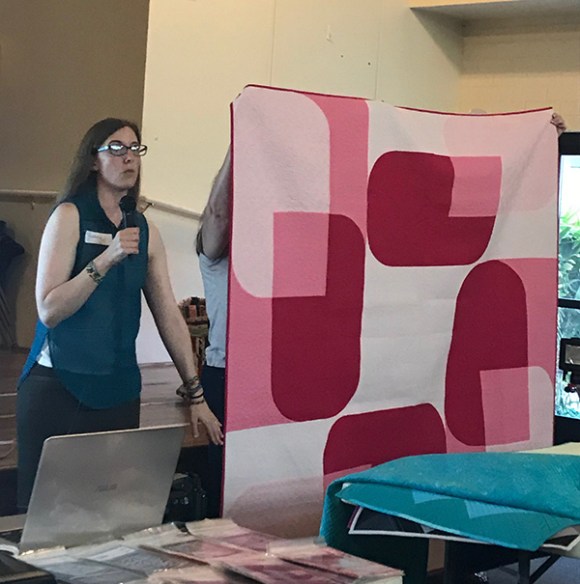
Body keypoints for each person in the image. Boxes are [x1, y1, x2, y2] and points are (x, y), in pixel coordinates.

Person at [17, 118, 223, 513]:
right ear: (93, 160)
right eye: (116, 148)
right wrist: (106, 259)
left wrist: (196, 393)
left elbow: (167, 314)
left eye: (135, 149)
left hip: (119, 391)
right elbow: (49, 309)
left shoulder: (145, 231)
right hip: (59, 386)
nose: (128, 157)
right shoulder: (69, 216)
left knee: (108, 513)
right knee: (47, 518)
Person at [196, 147, 230, 518]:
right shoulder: (215, 248)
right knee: (224, 488)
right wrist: (240, 145)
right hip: (225, 375)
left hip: (269, 375)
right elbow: (218, 212)